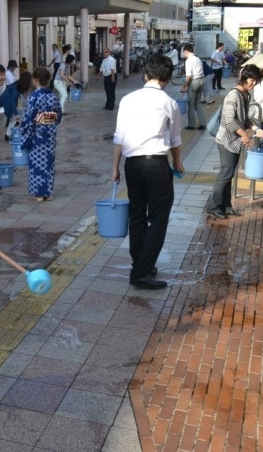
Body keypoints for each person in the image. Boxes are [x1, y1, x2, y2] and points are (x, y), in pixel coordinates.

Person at [112, 55, 185, 290]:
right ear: (167, 78)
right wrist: (178, 162)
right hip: (156, 164)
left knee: (137, 214)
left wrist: (114, 168)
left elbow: (119, 137)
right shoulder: (169, 103)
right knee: (159, 217)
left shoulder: (127, 99)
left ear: (146, 75)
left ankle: (141, 264)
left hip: (132, 164)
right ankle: (141, 272)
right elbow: (174, 139)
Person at [206, 64, 263, 219]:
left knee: (229, 173)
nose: (253, 83)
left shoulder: (246, 95)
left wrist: (255, 128)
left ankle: (226, 205)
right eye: (252, 79)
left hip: (236, 140)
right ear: (244, 77)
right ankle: (213, 206)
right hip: (226, 140)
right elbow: (228, 120)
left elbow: (244, 119)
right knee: (226, 173)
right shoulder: (233, 95)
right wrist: (244, 135)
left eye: (256, 80)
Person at [20, 67, 62, 202]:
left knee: (37, 165)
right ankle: (48, 193)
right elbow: (58, 116)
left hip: (37, 136)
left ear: (36, 80)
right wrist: (47, 121)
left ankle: (39, 193)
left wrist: (24, 129)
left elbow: (28, 119)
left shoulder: (33, 97)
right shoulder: (53, 96)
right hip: (49, 136)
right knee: (49, 164)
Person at [0, 71, 33, 138]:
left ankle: (8, 134)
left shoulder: (18, 85)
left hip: (7, 101)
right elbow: (13, 101)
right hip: (6, 102)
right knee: (14, 117)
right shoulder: (16, 87)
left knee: (13, 118)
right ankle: (8, 134)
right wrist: (16, 113)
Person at [180, 44, 206, 130]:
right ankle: (203, 124)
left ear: (186, 52)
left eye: (184, 53)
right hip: (201, 81)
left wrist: (185, 85)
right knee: (198, 104)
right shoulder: (198, 59)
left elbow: (189, 76)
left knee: (191, 104)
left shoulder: (189, 60)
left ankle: (191, 124)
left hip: (194, 82)